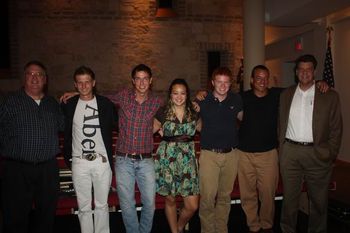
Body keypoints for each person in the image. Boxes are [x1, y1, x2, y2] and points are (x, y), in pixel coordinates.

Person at [61, 64, 163, 233]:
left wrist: (199, 98)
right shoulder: (123, 96)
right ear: (133, 81)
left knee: (150, 203)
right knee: (127, 204)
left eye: (145, 78)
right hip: (124, 159)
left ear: (151, 81)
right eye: (138, 78)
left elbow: (176, 107)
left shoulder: (157, 102)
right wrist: (78, 94)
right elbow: (99, 97)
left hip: (146, 160)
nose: (141, 82)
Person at [278, 54, 342, 233]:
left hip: (317, 154)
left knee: (318, 201)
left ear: (314, 72)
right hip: (290, 153)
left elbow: (337, 129)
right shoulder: (286, 94)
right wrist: (281, 149)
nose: (305, 73)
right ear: (296, 72)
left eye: (308, 69)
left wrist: (330, 154)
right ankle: (287, 229)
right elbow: (280, 124)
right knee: (289, 199)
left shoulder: (329, 95)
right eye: (301, 69)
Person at [0, 60, 64, 233]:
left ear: (45, 80)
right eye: (30, 74)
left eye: (39, 75)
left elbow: (64, 126)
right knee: (15, 217)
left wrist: (75, 97)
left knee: (46, 216)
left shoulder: (52, 104)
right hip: (17, 169)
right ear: (24, 78)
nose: (35, 78)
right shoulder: (10, 102)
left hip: (47, 169)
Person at [61, 66, 118, 233]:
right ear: (75, 85)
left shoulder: (105, 104)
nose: (84, 86)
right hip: (79, 162)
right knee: (84, 207)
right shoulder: (68, 105)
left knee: (102, 205)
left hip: (101, 161)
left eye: (87, 82)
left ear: (93, 83)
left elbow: (118, 125)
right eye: (80, 83)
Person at [196, 67, 243, 233]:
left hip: (231, 155)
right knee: (208, 197)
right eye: (219, 82)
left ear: (230, 84)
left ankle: (222, 229)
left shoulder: (236, 100)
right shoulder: (203, 100)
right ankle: (208, 230)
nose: (222, 86)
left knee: (224, 197)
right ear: (212, 82)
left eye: (226, 82)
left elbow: (246, 120)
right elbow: (193, 121)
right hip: (209, 155)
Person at [237, 65, 282, 233]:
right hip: (244, 154)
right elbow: (221, 97)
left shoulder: (276, 95)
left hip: (268, 154)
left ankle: (267, 225)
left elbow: (299, 87)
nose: (262, 81)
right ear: (251, 80)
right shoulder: (242, 97)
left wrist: (320, 82)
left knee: (268, 194)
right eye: (258, 78)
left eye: (265, 78)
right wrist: (202, 95)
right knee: (247, 195)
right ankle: (253, 225)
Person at [153, 78, 201, 233]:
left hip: (188, 161)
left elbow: (206, 128)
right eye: (175, 93)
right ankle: (175, 231)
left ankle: (180, 225)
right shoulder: (162, 112)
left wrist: (203, 100)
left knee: (192, 205)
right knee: (170, 199)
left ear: (187, 95)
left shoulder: (193, 112)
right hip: (167, 159)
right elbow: (147, 131)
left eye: (182, 93)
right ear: (170, 95)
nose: (179, 97)